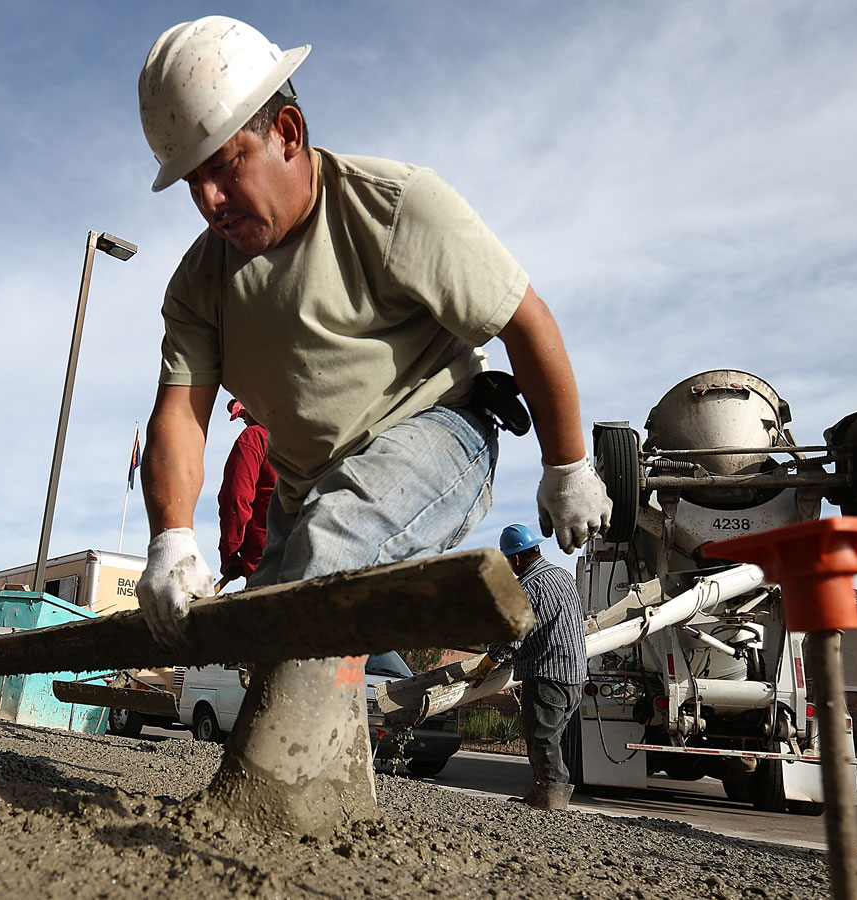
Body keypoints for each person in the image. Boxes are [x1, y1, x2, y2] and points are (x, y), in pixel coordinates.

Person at [132, 16, 611, 833]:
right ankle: (327, 791)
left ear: (287, 132)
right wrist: (171, 539)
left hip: (440, 433)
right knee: (270, 618)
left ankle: (270, 809)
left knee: (330, 556)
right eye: (191, 183)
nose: (209, 200)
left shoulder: (392, 208)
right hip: (309, 482)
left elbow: (526, 323)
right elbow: (180, 410)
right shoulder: (200, 284)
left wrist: (567, 466)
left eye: (224, 168)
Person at [487, 523, 588, 810]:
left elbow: (511, 638)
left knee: (542, 739)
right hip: (574, 676)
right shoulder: (562, 575)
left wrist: (487, 662)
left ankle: (550, 801)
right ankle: (543, 793)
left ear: (516, 558)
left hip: (547, 675)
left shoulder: (529, 586)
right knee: (552, 739)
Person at [217, 399, 276, 585]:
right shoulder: (307, 442)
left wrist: (230, 553)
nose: (244, 420)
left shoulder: (254, 437)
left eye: (244, 416)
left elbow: (235, 500)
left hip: (267, 560)